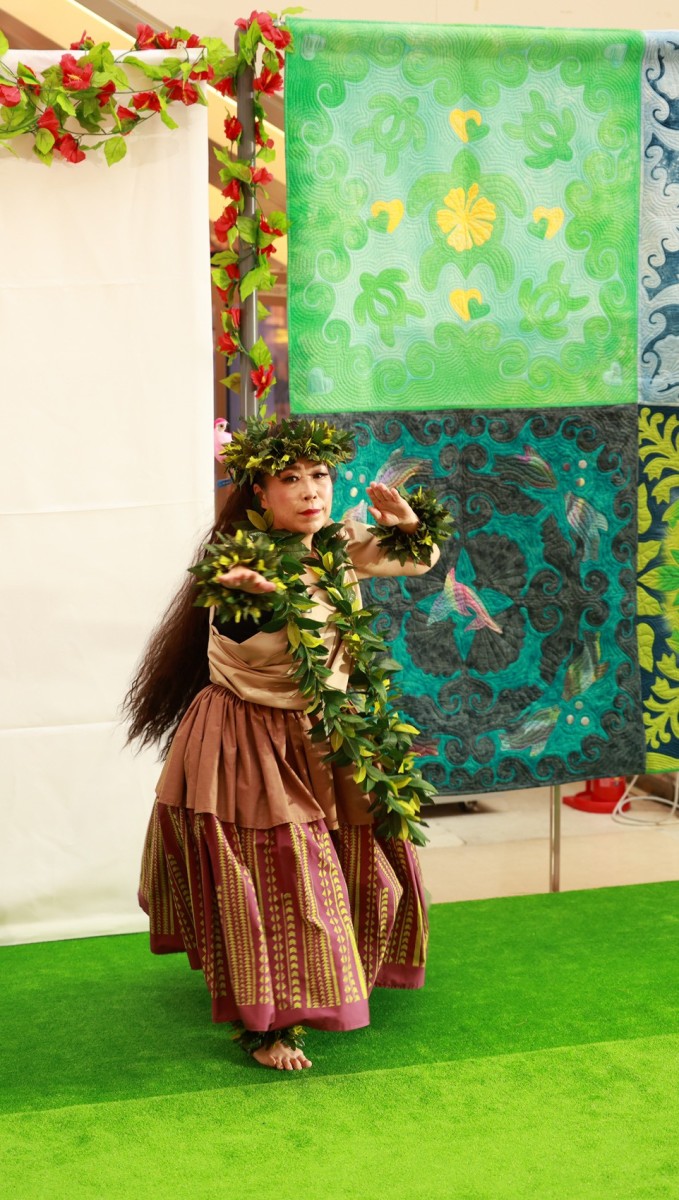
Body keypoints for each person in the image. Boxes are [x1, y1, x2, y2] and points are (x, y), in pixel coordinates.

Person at [124, 415, 448, 1071]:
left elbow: (415, 559)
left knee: (355, 853)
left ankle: (337, 976)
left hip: (324, 729)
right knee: (280, 871)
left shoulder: (336, 543)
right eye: (290, 479)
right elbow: (241, 631)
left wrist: (409, 526)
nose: (309, 491)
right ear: (260, 494)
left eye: (319, 475)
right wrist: (259, 599)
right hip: (250, 739)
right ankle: (269, 1025)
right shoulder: (239, 567)